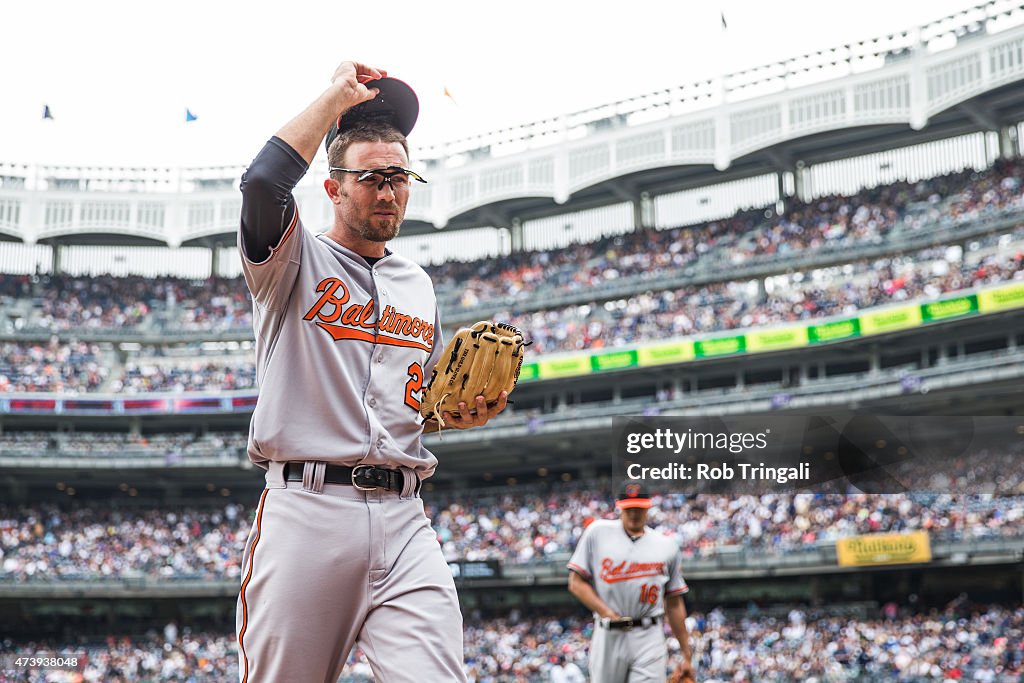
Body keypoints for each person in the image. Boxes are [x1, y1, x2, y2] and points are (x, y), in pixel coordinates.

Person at [233, 60, 507, 683]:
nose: (388, 191)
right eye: (371, 178)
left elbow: (413, 404)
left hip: (407, 517)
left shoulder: (420, 285)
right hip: (308, 511)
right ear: (332, 188)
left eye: (400, 176)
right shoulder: (291, 257)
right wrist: (334, 100)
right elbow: (262, 184)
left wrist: (451, 414)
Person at [567, 482, 694, 683]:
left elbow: (674, 602)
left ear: (648, 507)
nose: (634, 513)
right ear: (619, 507)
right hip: (609, 632)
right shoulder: (598, 533)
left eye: (639, 507)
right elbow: (576, 582)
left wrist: (686, 653)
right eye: (629, 508)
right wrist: (607, 612)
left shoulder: (666, 545)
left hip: (649, 632)